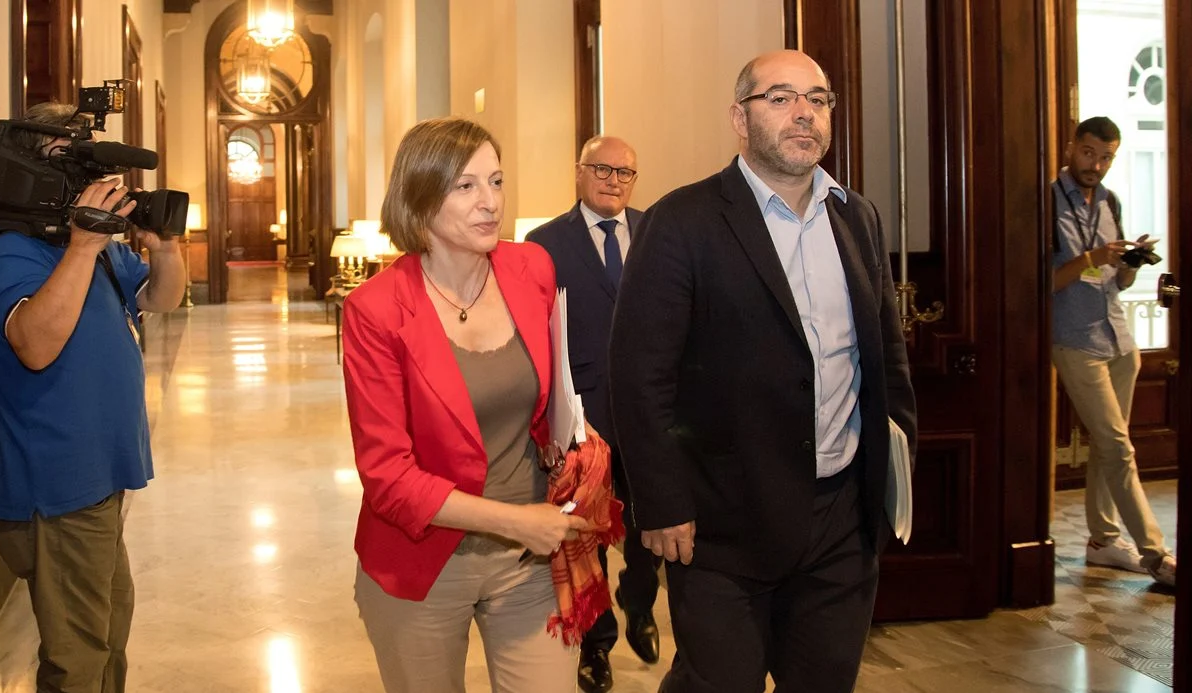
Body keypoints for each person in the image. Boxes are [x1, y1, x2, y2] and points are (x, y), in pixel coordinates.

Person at [608, 50, 917, 693]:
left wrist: (891, 469)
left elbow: (886, 360)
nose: (804, 113)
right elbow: (640, 377)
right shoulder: (682, 221)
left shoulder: (856, 218)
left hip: (841, 523)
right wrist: (661, 503)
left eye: (818, 99)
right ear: (739, 119)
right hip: (723, 527)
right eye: (780, 98)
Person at [342, 117, 591, 693]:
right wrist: (516, 522)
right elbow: (388, 478)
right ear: (420, 197)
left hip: (529, 559)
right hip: (423, 560)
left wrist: (570, 443)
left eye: (497, 181)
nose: (490, 203)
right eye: (466, 186)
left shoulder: (530, 268)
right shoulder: (376, 310)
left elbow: (551, 393)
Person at [0, 101, 186, 693]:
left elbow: (159, 301)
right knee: (78, 656)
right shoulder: (15, 253)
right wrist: (84, 245)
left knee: (108, 631)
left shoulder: (92, 247)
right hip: (52, 485)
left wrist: (165, 246)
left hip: (94, 478)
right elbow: (35, 345)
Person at [526, 135, 662, 693]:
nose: (613, 180)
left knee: (651, 519)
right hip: (583, 412)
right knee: (589, 528)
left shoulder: (657, 232)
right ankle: (597, 643)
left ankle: (641, 600)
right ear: (579, 173)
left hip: (652, 408)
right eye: (602, 169)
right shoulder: (544, 243)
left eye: (625, 172)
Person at [1050, 116, 1176, 587]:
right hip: (1074, 338)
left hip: (1119, 338)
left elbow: (1117, 282)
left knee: (1110, 446)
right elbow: (1043, 281)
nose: (1096, 165)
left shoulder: (1110, 201)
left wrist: (1129, 264)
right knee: (1118, 447)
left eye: (1105, 157)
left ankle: (1102, 540)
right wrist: (1091, 258)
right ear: (1071, 148)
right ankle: (1155, 552)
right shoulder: (1047, 200)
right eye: (1088, 153)